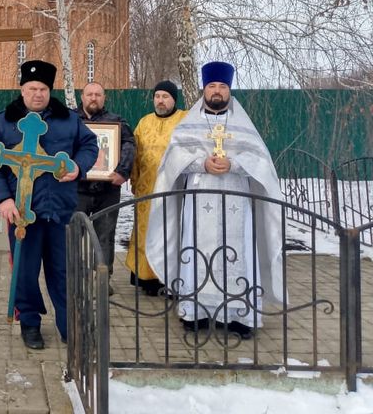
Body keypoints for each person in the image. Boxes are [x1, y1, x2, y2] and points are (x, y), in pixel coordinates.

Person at [146, 62, 284, 339]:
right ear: (204, 89)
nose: (217, 91)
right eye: (212, 86)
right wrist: (200, 162)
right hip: (200, 198)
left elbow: (261, 163)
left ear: (229, 90)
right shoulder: (189, 124)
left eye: (222, 87)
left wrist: (234, 163)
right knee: (196, 251)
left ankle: (238, 316)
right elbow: (172, 161)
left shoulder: (243, 125)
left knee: (239, 254)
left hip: (236, 197)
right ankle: (195, 312)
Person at [0, 60, 98, 349]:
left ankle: (69, 325)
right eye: (32, 88)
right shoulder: (3, 121)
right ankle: (30, 323)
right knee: (25, 269)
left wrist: (78, 166)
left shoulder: (68, 119)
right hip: (22, 211)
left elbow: (90, 145)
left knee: (62, 270)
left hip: (59, 208)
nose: (38, 94)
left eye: (43, 88)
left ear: (50, 90)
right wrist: (4, 200)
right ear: (22, 90)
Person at [126, 80, 187, 296]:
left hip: (173, 190)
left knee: (170, 232)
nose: (160, 101)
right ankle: (147, 278)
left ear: (174, 99)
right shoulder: (144, 122)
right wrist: (134, 180)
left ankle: (170, 277)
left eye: (165, 97)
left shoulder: (185, 120)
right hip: (146, 189)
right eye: (157, 96)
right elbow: (135, 154)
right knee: (146, 232)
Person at [75, 82, 135, 295]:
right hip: (77, 189)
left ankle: (101, 279)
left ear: (104, 98)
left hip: (107, 190)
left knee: (105, 237)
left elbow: (129, 144)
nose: (93, 98)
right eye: (89, 94)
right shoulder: (71, 120)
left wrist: (122, 171)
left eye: (98, 95)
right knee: (73, 235)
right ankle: (72, 277)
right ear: (82, 97)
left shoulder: (116, 122)